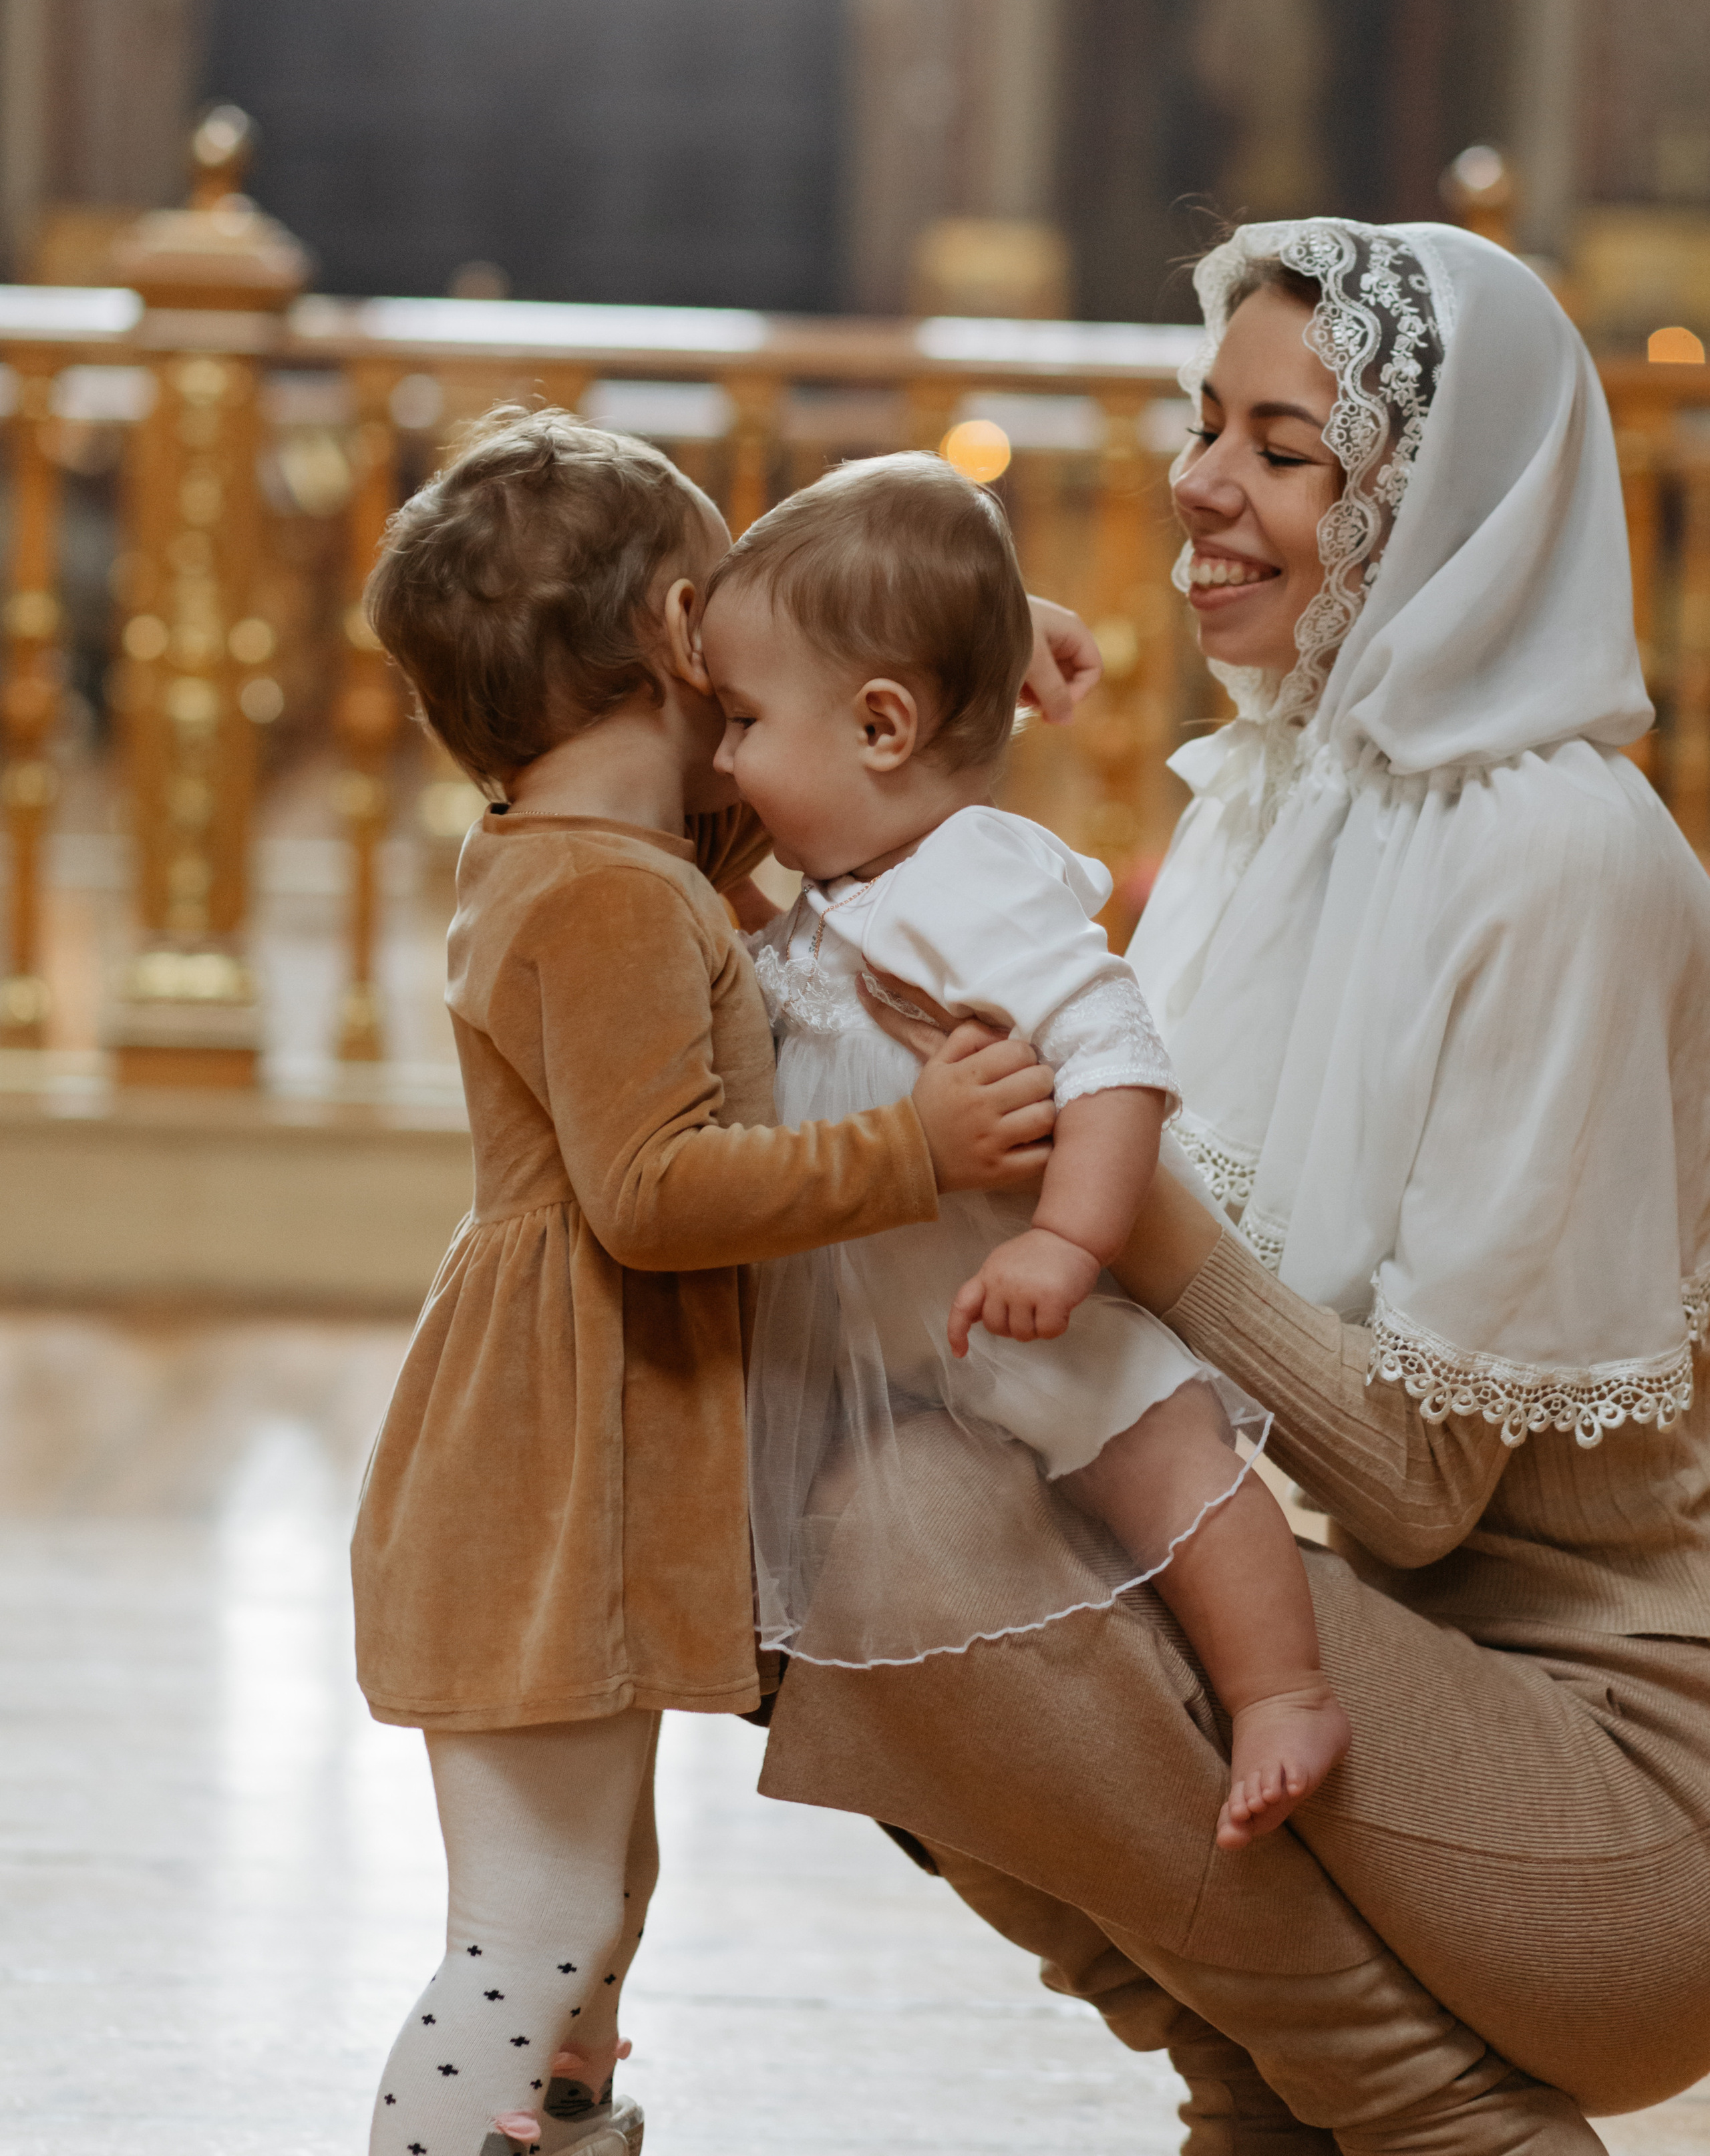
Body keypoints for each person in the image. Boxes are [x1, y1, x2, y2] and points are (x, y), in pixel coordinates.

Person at [757, 222, 1710, 2154]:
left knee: (913, 1540)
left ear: (1440, 502)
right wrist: (933, 694)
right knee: (793, 1504)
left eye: (1284, 449)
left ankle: (1412, 2112)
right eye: (1210, 425)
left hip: (1620, 1808)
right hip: (1394, 1709)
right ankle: (1262, 2097)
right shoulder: (1282, 787)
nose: (1198, 482)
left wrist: (1129, 1212)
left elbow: (1435, 1497)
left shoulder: (1564, 859)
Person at [348, 414, 1068, 2156]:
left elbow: (794, 821)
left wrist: (981, 667)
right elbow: (655, 1192)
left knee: (594, 1917)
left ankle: (564, 2129)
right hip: (546, 1473)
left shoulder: (598, 861)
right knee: (533, 1936)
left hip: (565, 1459)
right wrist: (918, 1147)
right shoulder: (607, 902)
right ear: (683, 629)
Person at [699, 452, 1350, 1843]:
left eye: (743, 721)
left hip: (1014, 1314)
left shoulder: (970, 879)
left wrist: (1065, 1241)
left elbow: (1114, 1054)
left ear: (880, 728)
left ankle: (1282, 1691)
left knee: (1165, 1446)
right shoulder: (839, 889)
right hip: (879, 1344)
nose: (721, 758)